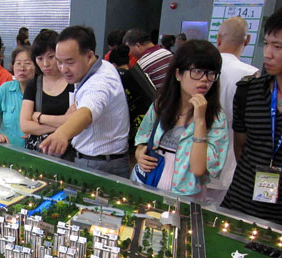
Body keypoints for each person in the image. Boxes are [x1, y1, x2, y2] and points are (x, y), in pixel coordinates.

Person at [133, 40, 228, 198]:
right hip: (150, 185)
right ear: (178, 74)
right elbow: (143, 137)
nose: (204, 79)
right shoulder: (162, 104)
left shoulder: (216, 117)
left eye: (211, 73)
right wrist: (139, 154)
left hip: (186, 196)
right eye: (197, 71)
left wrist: (200, 121)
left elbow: (199, 169)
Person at [40, 26, 131, 178]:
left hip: (100, 165)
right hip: (98, 160)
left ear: (89, 56)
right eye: (59, 62)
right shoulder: (100, 66)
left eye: (70, 62)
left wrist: (62, 133)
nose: (63, 69)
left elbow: (87, 111)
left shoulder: (99, 82)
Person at [221, 8, 282, 223]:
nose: (268, 54)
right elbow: (240, 146)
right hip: (240, 201)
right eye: (266, 44)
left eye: (277, 47)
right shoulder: (249, 90)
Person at [206, 17, 259, 205]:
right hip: (230, 160)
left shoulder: (199, 68)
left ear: (218, 38)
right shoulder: (251, 75)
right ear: (248, 40)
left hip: (191, 157)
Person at [19, 29, 75, 157]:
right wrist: (63, 123)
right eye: (40, 58)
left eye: (51, 57)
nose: (45, 64)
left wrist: (39, 117)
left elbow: (77, 121)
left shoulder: (73, 82)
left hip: (68, 152)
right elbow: (25, 125)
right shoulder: (34, 84)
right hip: (39, 151)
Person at [0, 46, 35, 146]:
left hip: (35, 151)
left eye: (27, 63)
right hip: (9, 149)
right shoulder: (5, 89)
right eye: (18, 63)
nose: (22, 68)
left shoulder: (42, 91)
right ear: (12, 66)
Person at [109, 44, 154, 153]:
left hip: (127, 127)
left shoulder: (114, 78)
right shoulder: (138, 74)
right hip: (146, 121)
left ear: (112, 64)